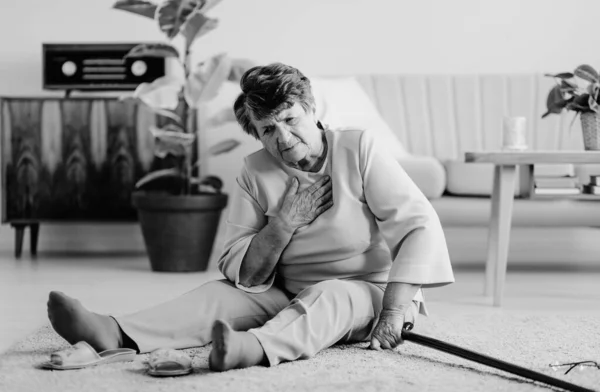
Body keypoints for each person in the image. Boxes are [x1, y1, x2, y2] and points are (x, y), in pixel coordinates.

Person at [47, 62, 455, 372]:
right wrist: (282, 225)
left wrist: (393, 313)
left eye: (290, 119)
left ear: (311, 108)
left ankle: (252, 348)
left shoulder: (359, 148)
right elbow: (242, 270)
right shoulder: (255, 171)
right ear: (256, 134)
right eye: (267, 129)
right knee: (215, 296)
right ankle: (112, 331)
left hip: (371, 292)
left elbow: (418, 226)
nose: (283, 137)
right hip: (286, 289)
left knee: (330, 295)